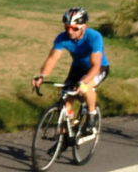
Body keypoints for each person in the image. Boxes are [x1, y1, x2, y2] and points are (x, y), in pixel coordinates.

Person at [31, 7, 109, 136]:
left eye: (74, 28)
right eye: (67, 27)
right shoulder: (62, 38)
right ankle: (65, 137)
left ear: (84, 26)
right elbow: (52, 58)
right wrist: (42, 75)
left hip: (98, 68)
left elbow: (95, 65)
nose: (70, 31)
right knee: (65, 101)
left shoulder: (94, 37)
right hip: (77, 68)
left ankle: (91, 115)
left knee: (85, 88)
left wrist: (84, 82)